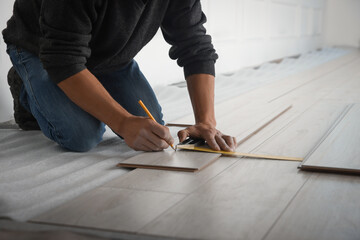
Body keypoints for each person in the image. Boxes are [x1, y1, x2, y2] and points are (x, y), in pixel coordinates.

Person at [3, 0, 236, 152]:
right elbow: (63, 59)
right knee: (81, 136)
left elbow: (195, 46)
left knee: (151, 127)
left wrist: (206, 122)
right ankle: (25, 87)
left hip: (107, 56)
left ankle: (86, 83)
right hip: (42, 48)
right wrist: (123, 122)